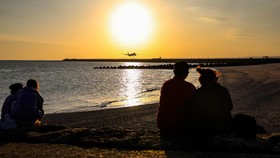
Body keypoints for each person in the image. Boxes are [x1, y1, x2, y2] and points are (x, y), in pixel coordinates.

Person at [157, 61, 196, 134]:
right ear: (187, 73)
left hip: (163, 124)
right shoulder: (190, 87)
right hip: (180, 125)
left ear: (174, 72)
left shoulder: (167, 84)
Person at [191, 67, 233, 135]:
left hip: (205, 127)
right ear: (214, 79)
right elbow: (230, 107)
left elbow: (194, 110)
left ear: (201, 81)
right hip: (223, 126)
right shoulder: (223, 90)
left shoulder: (198, 92)